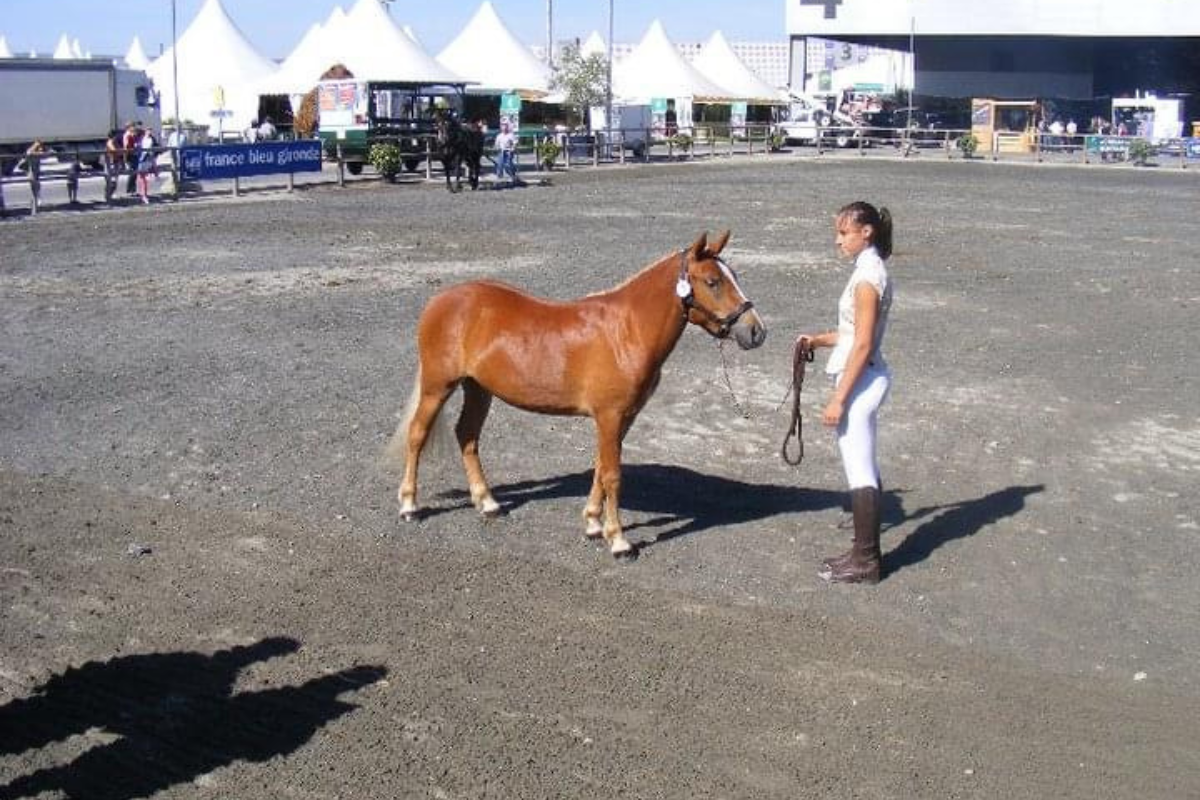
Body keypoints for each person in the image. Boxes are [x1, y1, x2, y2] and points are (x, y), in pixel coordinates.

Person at [797, 201, 894, 585]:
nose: (838, 241)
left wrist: (839, 399)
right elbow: (853, 334)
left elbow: (864, 344)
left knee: (860, 468)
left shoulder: (868, 278)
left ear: (865, 232)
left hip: (861, 379)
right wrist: (817, 340)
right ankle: (861, 549)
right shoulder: (868, 271)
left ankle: (866, 561)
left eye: (843, 233)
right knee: (863, 462)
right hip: (866, 375)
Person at [135, 127, 158, 205]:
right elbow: (138, 147)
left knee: (144, 177)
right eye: (148, 131)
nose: (149, 132)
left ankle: (144, 195)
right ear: (145, 132)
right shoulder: (141, 139)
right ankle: (142, 194)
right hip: (142, 158)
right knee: (141, 177)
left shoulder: (152, 139)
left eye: (150, 131)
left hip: (148, 158)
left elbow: (155, 148)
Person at [494, 119, 520, 187]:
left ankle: (512, 176)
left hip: (509, 151)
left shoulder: (511, 135)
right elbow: (496, 145)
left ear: (508, 127)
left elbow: (515, 143)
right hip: (501, 151)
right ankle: (499, 178)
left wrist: (513, 148)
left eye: (505, 126)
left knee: (508, 164)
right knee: (499, 164)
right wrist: (497, 148)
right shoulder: (499, 136)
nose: (504, 127)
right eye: (503, 126)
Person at [103, 129, 122, 203]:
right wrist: (119, 151)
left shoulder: (115, 142)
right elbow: (114, 150)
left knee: (114, 181)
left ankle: (109, 196)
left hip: (115, 163)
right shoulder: (110, 142)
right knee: (110, 181)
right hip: (110, 164)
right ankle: (108, 197)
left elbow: (119, 152)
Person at [121, 121, 140, 196]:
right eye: (133, 126)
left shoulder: (132, 135)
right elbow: (126, 146)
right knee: (132, 173)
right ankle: (129, 190)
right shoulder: (127, 135)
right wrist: (125, 157)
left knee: (135, 173)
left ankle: (133, 190)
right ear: (129, 127)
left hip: (133, 154)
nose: (134, 127)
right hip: (130, 155)